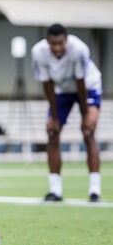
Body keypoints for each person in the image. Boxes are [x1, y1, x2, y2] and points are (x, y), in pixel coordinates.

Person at [32, 23, 102, 202]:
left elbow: (81, 83)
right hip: (61, 91)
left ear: (66, 40)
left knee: (88, 132)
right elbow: (47, 85)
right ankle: (55, 191)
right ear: (47, 41)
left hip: (88, 86)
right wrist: (54, 118)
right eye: (53, 44)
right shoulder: (38, 52)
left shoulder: (78, 50)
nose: (57, 48)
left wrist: (86, 115)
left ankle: (95, 190)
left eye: (60, 43)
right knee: (52, 133)